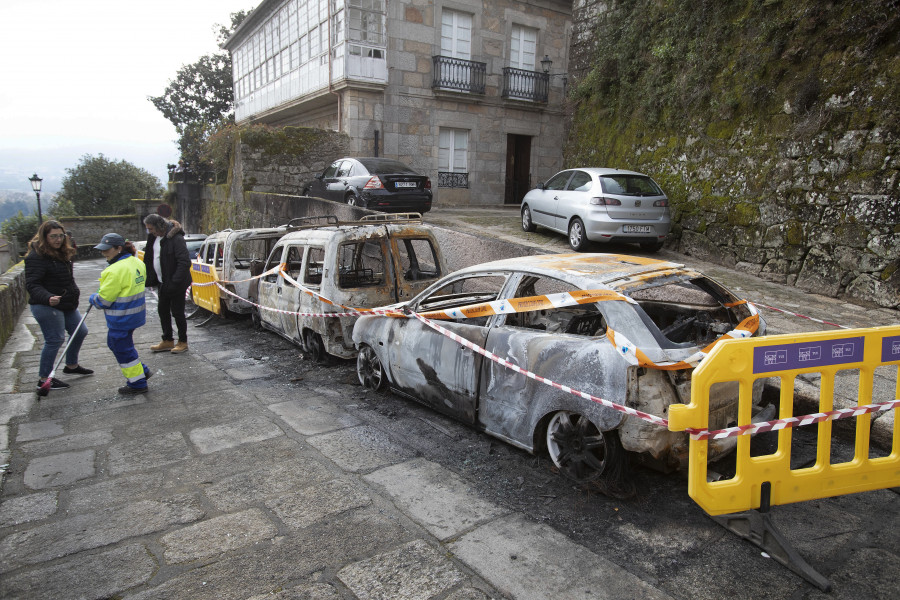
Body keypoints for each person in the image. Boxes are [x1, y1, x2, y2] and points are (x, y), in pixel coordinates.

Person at [25, 220, 93, 391]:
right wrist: (48, 297)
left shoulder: (62, 253)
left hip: (66, 303)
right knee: (55, 339)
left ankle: (71, 366)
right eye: (53, 236)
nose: (58, 240)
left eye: (60, 236)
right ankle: (44, 379)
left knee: (80, 331)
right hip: (46, 305)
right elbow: (32, 285)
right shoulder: (36, 257)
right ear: (44, 237)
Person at [89, 233, 151, 395]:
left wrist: (93, 298)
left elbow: (103, 301)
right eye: (102, 250)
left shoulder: (113, 271)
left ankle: (138, 383)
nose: (104, 253)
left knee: (121, 348)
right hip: (135, 314)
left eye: (107, 250)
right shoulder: (137, 262)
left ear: (119, 248)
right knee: (118, 344)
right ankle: (142, 370)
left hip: (121, 317)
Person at [142, 213, 191, 353]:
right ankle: (168, 340)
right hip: (162, 282)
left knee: (177, 312)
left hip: (176, 283)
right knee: (162, 311)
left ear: (159, 227)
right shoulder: (153, 238)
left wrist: (174, 281)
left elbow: (184, 262)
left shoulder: (176, 238)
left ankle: (183, 341)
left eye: (151, 229)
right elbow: (150, 257)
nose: (149, 232)